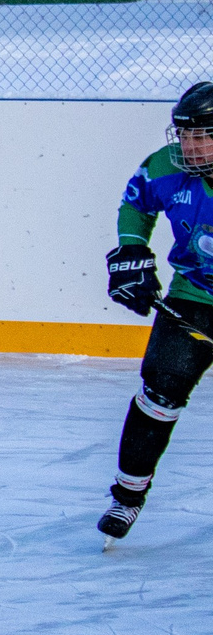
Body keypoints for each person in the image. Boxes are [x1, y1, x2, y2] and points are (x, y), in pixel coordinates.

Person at [98, 80, 213, 541]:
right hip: (193, 296)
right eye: (185, 135)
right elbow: (136, 204)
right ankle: (126, 498)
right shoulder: (165, 167)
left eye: (202, 135)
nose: (190, 146)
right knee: (159, 392)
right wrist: (130, 252)